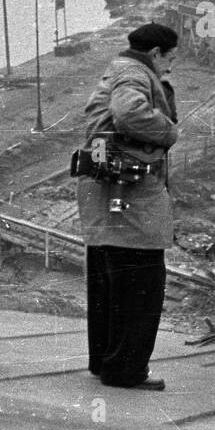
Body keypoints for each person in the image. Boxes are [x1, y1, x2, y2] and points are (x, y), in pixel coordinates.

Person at [76, 22, 180, 390]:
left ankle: (105, 362)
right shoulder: (136, 74)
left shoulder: (118, 69)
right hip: (130, 195)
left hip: (108, 191)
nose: (170, 66)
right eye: (169, 59)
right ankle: (126, 370)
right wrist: (169, 132)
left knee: (110, 281)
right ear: (155, 54)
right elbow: (129, 114)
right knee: (142, 283)